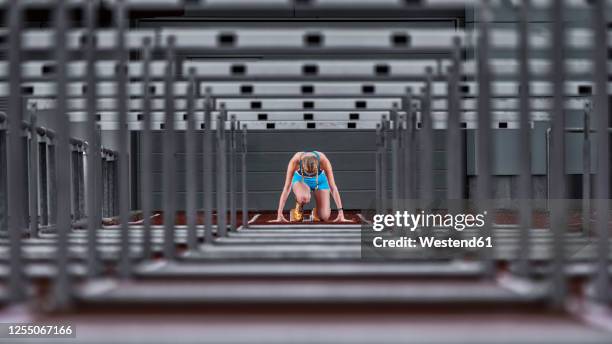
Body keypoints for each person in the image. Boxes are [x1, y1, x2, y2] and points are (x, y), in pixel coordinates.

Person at [270, 151, 351, 223]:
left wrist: (341, 213)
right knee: (304, 197)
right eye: (308, 173)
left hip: (320, 181)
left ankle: (317, 213)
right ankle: (299, 207)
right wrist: (279, 213)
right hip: (301, 181)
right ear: (302, 165)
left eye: (312, 173)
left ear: (317, 165)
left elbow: (333, 187)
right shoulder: (295, 161)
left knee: (324, 216)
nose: (310, 176)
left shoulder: (323, 160)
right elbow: (287, 188)